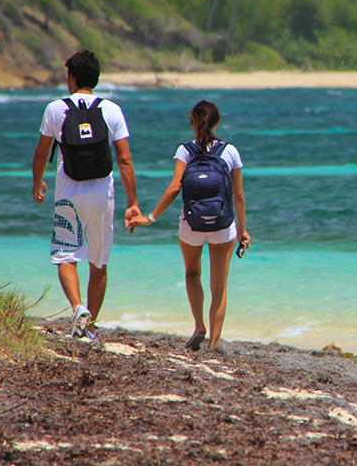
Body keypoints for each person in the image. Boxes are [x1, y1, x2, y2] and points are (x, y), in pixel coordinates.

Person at [32, 50, 140, 340]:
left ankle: (78, 308)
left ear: (73, 77)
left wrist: (37, 182)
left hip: (69, 191)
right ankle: (89, 326)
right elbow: (125, 160)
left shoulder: (56, 109)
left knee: (66, 255)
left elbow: (42, 153)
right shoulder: (112, 110)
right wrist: (133, 204)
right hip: (102, 193)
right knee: (99, 261)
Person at [130, 100, 250, 351]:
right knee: (220, 286)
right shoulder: (230, 152)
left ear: (192, 122)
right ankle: (215, 343)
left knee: (192, 274)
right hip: (223, 225)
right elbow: (238, 195)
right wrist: (242, 230)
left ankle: (199, 327)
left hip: (191, 225)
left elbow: (175, 187)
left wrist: (150, 218)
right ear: (217, 123)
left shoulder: (184, 151)